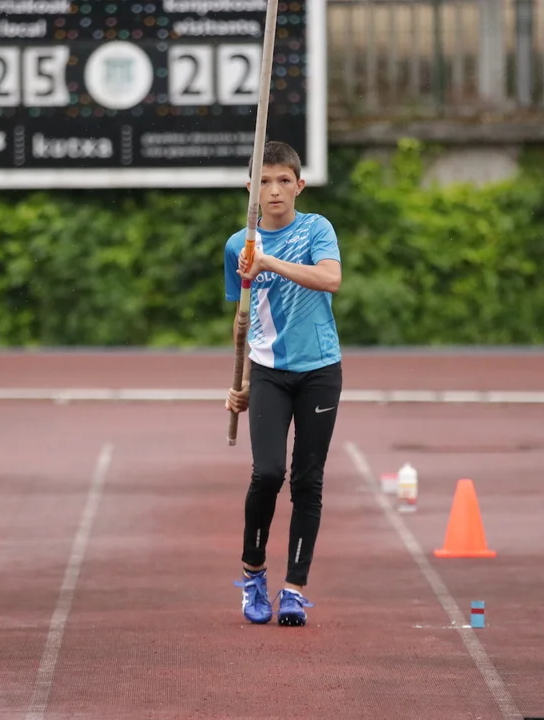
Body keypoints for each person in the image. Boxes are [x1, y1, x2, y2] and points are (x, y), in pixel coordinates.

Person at [223, 141, 343, 627]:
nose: (274, 190)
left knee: (307, 481)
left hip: (320, 371)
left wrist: (269, 262)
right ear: (250, 188)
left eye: (283, 180)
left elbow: (330, 280)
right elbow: (244, 319)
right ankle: (253, 573)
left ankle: (294, 589)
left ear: (299, 185)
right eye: (264, 181)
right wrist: (241, 382)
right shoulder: (238, 244)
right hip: (269, 372)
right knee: (268, 472)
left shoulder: (317, 229)